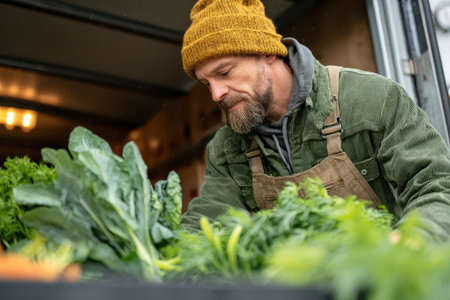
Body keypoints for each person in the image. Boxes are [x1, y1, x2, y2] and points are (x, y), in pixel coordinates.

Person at [179, 0, 450, 242]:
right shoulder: (227, 148)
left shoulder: (373, 99)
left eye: (224, 72)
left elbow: (436, 184)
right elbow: (207, 222)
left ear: (267, 52)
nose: (216, 95)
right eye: (207, 84)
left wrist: (414, 242)